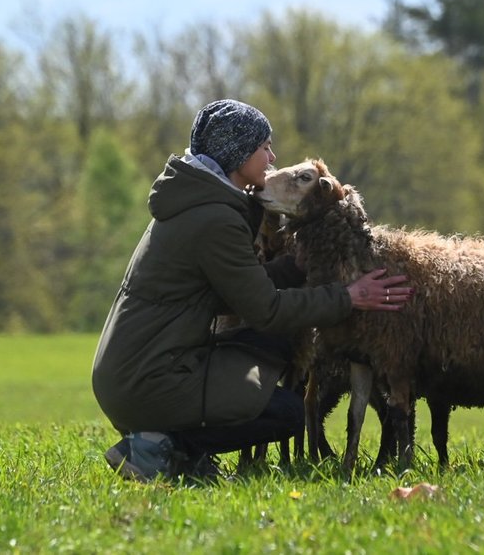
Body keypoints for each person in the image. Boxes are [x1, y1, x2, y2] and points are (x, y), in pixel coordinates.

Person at [91, 99, 412, 482]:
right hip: (148, 381)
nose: (272, 156)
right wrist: (349, 297)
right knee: (287, 412)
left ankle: (163, 442)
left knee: (273, 346)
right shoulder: (215, 219)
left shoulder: (195, 201)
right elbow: (267, 310)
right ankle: (160, 450)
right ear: (238, 152)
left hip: (138, 368)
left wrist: (293, 268)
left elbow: (234, 289)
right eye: (264, 147)